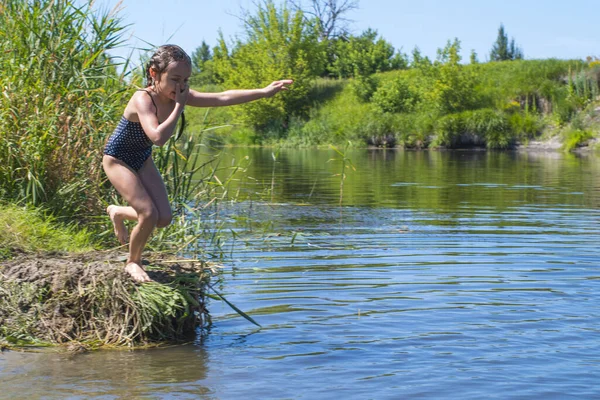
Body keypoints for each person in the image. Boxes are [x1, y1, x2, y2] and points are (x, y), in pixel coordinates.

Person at [103, 44, 292, 282]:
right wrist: (180, 105)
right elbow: (158, 138)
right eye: (174, 79)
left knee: (163, 218)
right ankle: (133, 262)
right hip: (117, 159)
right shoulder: (144, 99)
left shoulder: (177, 95)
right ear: (154, 73)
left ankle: (118, 212)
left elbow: (222, 97)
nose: (181, 86)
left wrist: (263, 92)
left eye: (186, 79)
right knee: (149, 214)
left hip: (141, 158)